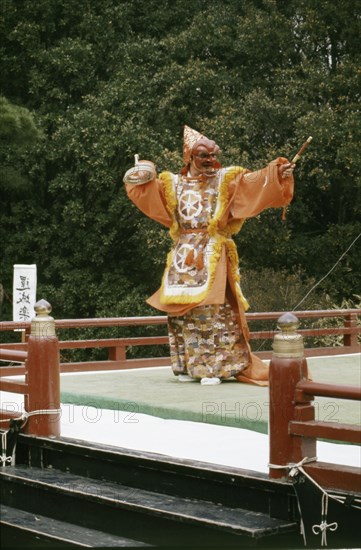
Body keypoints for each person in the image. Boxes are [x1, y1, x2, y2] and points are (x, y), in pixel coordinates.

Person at [123, 126, 295, 386]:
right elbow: (143, 190)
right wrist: (142, 171)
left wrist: (277, 172)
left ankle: (214, 367)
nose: (210, 160)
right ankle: (187, 366)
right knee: (180, 313)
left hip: (212, 250)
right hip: (183, 252)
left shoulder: (226, 179)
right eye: (203, 155)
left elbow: (254, 183)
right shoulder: (172, 184)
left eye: (214, 154)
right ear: (189, 157)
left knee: (212, 311)